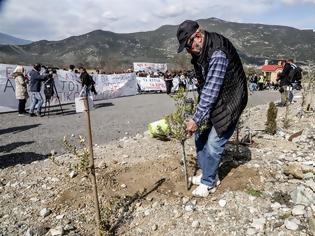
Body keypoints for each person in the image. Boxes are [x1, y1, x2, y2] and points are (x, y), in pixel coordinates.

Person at [176, 20, 248, 197]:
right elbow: (204, 86)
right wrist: (197, 116)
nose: (188, 50)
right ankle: (208, 174)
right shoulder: (199, 53)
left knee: (214, 143)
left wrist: (196, 118)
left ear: (198, 37)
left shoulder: (218, 52)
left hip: (232, 100)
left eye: (188, 46)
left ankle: (210, 183)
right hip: (217, 98)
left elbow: (211, 90)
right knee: (200, 135)